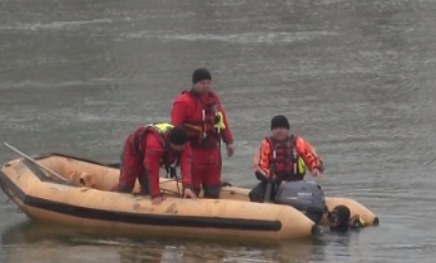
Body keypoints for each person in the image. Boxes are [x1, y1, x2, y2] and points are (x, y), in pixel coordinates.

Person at [171, 67, 235, 199]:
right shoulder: (183, 101)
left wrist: (229, 142)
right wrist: (175, 152)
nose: (206, 86)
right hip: (193, 150)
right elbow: (175, 129)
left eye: (208, 82)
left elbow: (222, 120)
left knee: (213, 187)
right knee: (192, 187)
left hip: (212, 150)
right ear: (195, 84)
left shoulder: (213, 99)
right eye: (202, 83)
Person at [250, 115, 324, 203]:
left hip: (295, 182)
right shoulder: (266, 144)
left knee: (314, 192)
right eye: (275, 128)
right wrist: (275, 180)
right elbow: (259, 166)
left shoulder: (298, 142)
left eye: (281, 128)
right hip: (274, 183)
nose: (278, 130)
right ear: (272, 130)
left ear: (287, 129)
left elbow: (310, 155)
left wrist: (315, 168)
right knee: (255, 194)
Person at [115, 124, 196, 200]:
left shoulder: (184, 144)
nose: (183, 149)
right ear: (172, 144)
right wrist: (155, 195)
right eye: (181, 148)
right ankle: (114, 196)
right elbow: (152, 170)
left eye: (184, 147)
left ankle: (144, 198)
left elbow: (186, 165)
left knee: (147, 189)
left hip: (148, 151)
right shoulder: (155, 145)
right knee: (126, 187)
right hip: (133, 152)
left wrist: (187, 187)